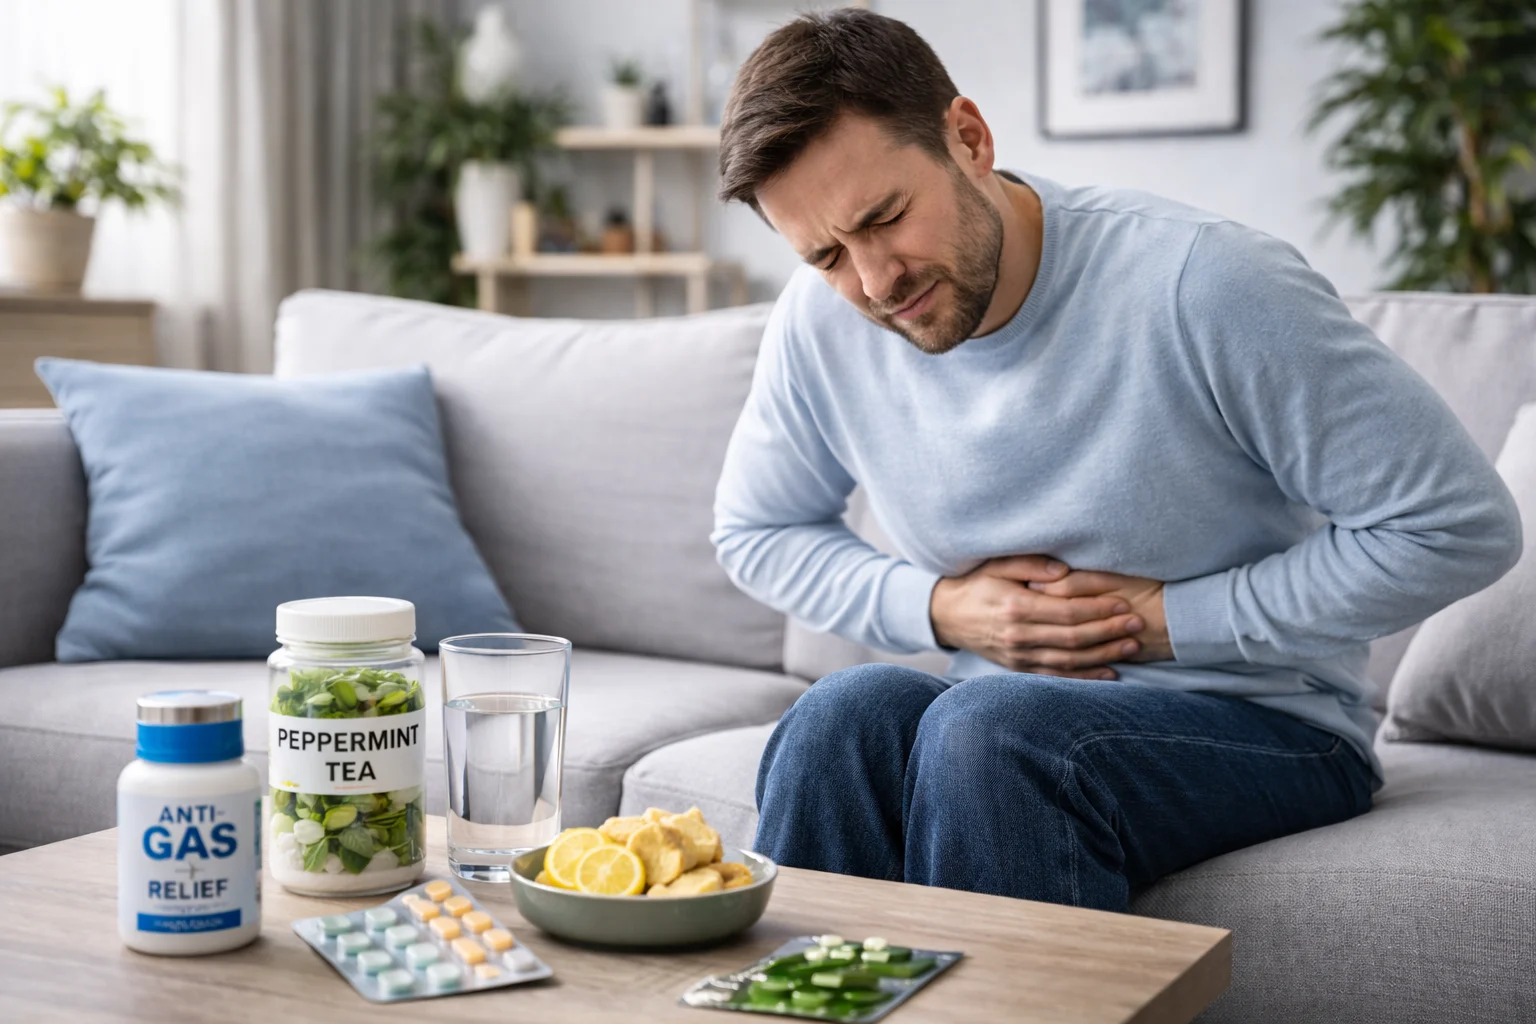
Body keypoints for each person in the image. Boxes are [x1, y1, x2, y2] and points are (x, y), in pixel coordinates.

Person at [709, 8, 1521, 912]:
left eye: (886, 218)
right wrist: (942, 608)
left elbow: (1458, 526)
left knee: (991, 732)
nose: (873, 281)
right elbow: (756, 531)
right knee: (839, 719)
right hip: (995, 713)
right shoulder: (819, 323)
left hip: (1267, 724)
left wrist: (1176, 619)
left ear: (968, 138)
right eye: (825, 255)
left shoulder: (1203, 283)